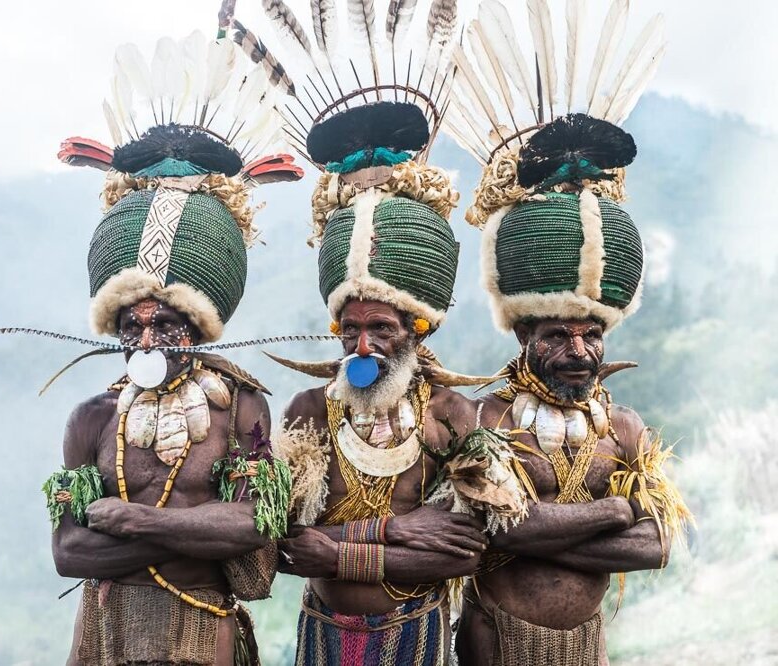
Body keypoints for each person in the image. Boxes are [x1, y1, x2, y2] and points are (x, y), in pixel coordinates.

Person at [250, 3, 529, 661]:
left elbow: (473, 545)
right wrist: (407, 534)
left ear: (417, 328)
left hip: (420, 637)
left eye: (381, 328)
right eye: (349, 331)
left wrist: (342, 544)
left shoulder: (453, 417)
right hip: (324, 638)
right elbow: (285, 545)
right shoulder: (308, 413)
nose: (363, 346)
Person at [437, 2, 693, 663]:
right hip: (495, 643)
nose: (577, 351)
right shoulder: (488, 420)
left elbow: (658, 544)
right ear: (523, 334)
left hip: (586, 647)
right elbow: (496, 531)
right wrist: (613, 514)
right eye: (556, 334)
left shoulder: (625, 430)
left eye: (589, 333)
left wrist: (536, 531)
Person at [41, 22, 302, 666]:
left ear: (200, 325)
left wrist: (134, 522)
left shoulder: (241, 407)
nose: (149, 339)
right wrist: (197, 534)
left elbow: (255, 526)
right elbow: (68, 552)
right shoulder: (92, 417)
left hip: (203, 632)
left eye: (167, 325)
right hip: (106, 637)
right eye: (134, 325)